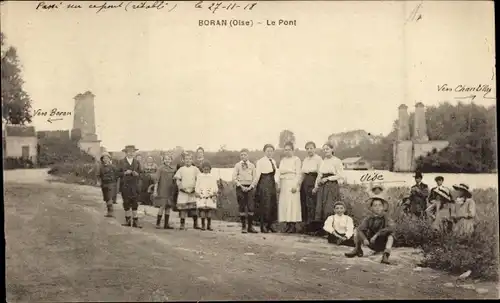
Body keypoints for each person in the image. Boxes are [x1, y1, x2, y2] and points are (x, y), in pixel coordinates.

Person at [345, 194, 395, 264]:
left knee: (391, 235)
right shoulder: (369, 218)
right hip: (372, 243)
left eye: (380, 205)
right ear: (371, 208)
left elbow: (391, 227)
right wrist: (364, 238)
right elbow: (360, 229)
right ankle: (357, 249)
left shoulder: (386, 217)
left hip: (383, 243)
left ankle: (385, 255)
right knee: (356, 230)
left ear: (383, 207)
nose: (378, 207)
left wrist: (377, 234)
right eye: (375, 205)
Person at [312, 143, 345, 235]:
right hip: (322, 186)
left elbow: (341, 175)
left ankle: (331, 230)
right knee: (320, 206)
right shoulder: (323, 161)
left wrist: (328, 179)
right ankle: (322, 229)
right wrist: (316, 187)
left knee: (329, 207)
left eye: (327, 149)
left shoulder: (337, 161)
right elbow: (319, 175)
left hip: (331, 185)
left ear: (332, 149)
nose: (325, 151)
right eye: (324, 149)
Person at [250, 144, 279, 233]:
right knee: (264, 204)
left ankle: (270, 225)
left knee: (272, 204)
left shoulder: (273, 161)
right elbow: (258, 174)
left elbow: (276, 174)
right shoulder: (260, 161)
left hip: (272, 183)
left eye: (271, 151)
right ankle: (263, 226)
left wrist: (277, 184)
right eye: (267, 151)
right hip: (263, 183)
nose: (269, 153)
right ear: (264, 152)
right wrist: (253, 185)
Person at [278, 141, 302, 233]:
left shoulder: (296, 159)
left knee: (292, 204)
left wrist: (295, 185)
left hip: (292, 183)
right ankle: (287, 224)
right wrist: (279, 185)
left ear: (293, 150)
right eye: (286, 150)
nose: (287, 151)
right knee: (285, 204)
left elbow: (299, 174)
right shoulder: (283, 160)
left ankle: (293, 225)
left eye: (289, 150)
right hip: (284, 183)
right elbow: (279, 173)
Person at [232, 148, 258, 233]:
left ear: (248, 155)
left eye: (245, 154)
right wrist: (241, 186)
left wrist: (251, 187)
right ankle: (243, 227)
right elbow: (234, 178)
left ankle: (250, 227)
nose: (243, 156)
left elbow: (255, 178)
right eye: (241, 155)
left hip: (250, 187)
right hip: (240, 187)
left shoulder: (252, 165)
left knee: (251, 207)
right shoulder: (237, 165)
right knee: (242, 206)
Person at [118, 145, 143, 228]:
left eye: (133, 151)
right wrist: (124, 173)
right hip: (125, 185)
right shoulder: (121, 162)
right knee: (126, 202)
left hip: (135, 185)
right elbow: (117, 173)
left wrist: (137, 174)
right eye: (129, 151)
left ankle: (136, 221)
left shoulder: (137, 162)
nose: (131, 153)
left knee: (135, 202)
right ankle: (128, 221)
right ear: (126, 152)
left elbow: (142, 174)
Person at [300, 141, 322, 234]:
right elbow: (302, 173)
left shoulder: (318, 159)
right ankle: (306, 226)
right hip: (305, 182)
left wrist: (316, 187)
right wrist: (299, 184)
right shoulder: (305, 159)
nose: (309, 150)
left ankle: (313, 228)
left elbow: (320, 174)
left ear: (315, 149)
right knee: (305, 204)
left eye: (311, 148)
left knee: (312, 205)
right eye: (307, 148)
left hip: (313, 181)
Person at [174, 152, 200, 230]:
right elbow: (178, 180)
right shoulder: (181, 169)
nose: (188, 160)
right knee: (183, 209)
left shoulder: (195, 169)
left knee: (194, 208)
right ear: (184, 160)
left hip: (192, 191)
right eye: (186, 159)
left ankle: (195, 224)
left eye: (189, 159)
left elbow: (199, 179)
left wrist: (195, 188)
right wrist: (181, 188)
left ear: (192, 160)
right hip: (183, 192)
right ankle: (182, 224)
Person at [153, 153, 177, 229]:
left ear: (171, 160)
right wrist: (155, 191)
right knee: (162, 207)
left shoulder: (173, 169)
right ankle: (158, 223)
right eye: (166, 159)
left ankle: (166, 224)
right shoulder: (160, 168)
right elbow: (156, 180)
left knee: (168, 207)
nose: (167, 160)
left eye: (169, 159)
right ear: (163, 160)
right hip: (162, 190)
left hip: (170, 191)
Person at [195, 161, 218, 231]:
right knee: (202, 210)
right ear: (202, 169)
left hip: (210, 195)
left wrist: (213, 193)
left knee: (209, 210)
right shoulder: (199, 176)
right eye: (204, 169)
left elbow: (215, 186)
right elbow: (197, 185)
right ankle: (203, 225)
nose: (206, 171)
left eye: (207, 169)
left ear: (210, 169)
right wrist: (197, 192)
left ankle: (209, 225)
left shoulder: (212, 176)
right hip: (201, 195)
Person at [98, 152, 119, 218]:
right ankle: (109, 211)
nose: (105, 159)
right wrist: (99, 182)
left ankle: (111, 212)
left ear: (109, 159)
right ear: (102, 159)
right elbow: (98, 175)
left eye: (107, 158)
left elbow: (117, 174)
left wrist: (113, 181)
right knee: (106, 198)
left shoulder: (113, 167)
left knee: (110, 197)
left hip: (111, 183)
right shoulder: (101, 167)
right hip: (104, 184)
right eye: (104, 158)